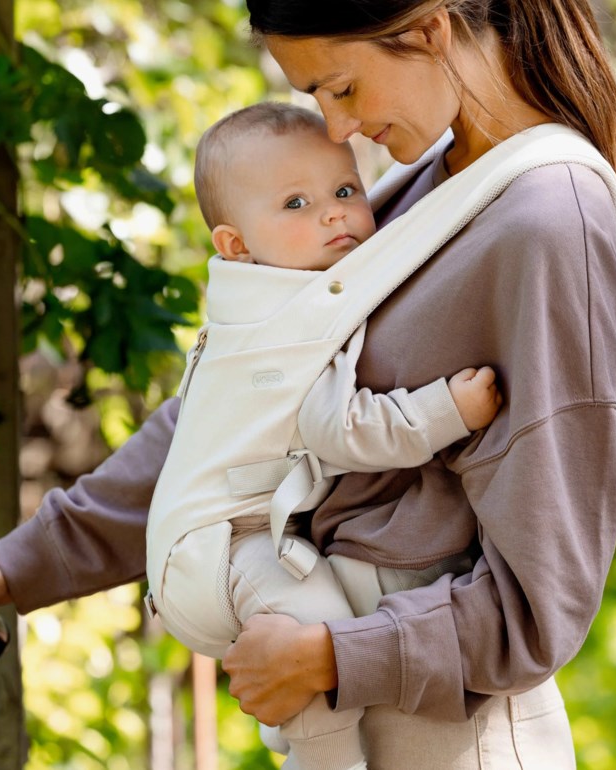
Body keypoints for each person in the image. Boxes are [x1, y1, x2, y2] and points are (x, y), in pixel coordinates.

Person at [0, 0, 616, 767]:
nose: (335, 129)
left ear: (429, 30)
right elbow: (235, 415)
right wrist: (6, 571)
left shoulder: (544, 217)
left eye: (343, 88)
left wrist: (329, 655)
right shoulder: (424, 186)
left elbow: (541, 603)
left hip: (446, 734)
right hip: (350, 702)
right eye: (314, 97)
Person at [147, 100, 501, 770]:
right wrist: (446, 412)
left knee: (314, 635)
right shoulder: (287, 322)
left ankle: (293, 730)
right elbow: (342, 429)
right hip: (219, 547)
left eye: (344, 191)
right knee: (314, 635)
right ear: (236, 244)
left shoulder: (260, 296)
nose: (334, 213)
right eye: (296, 204)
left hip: (224, 533)